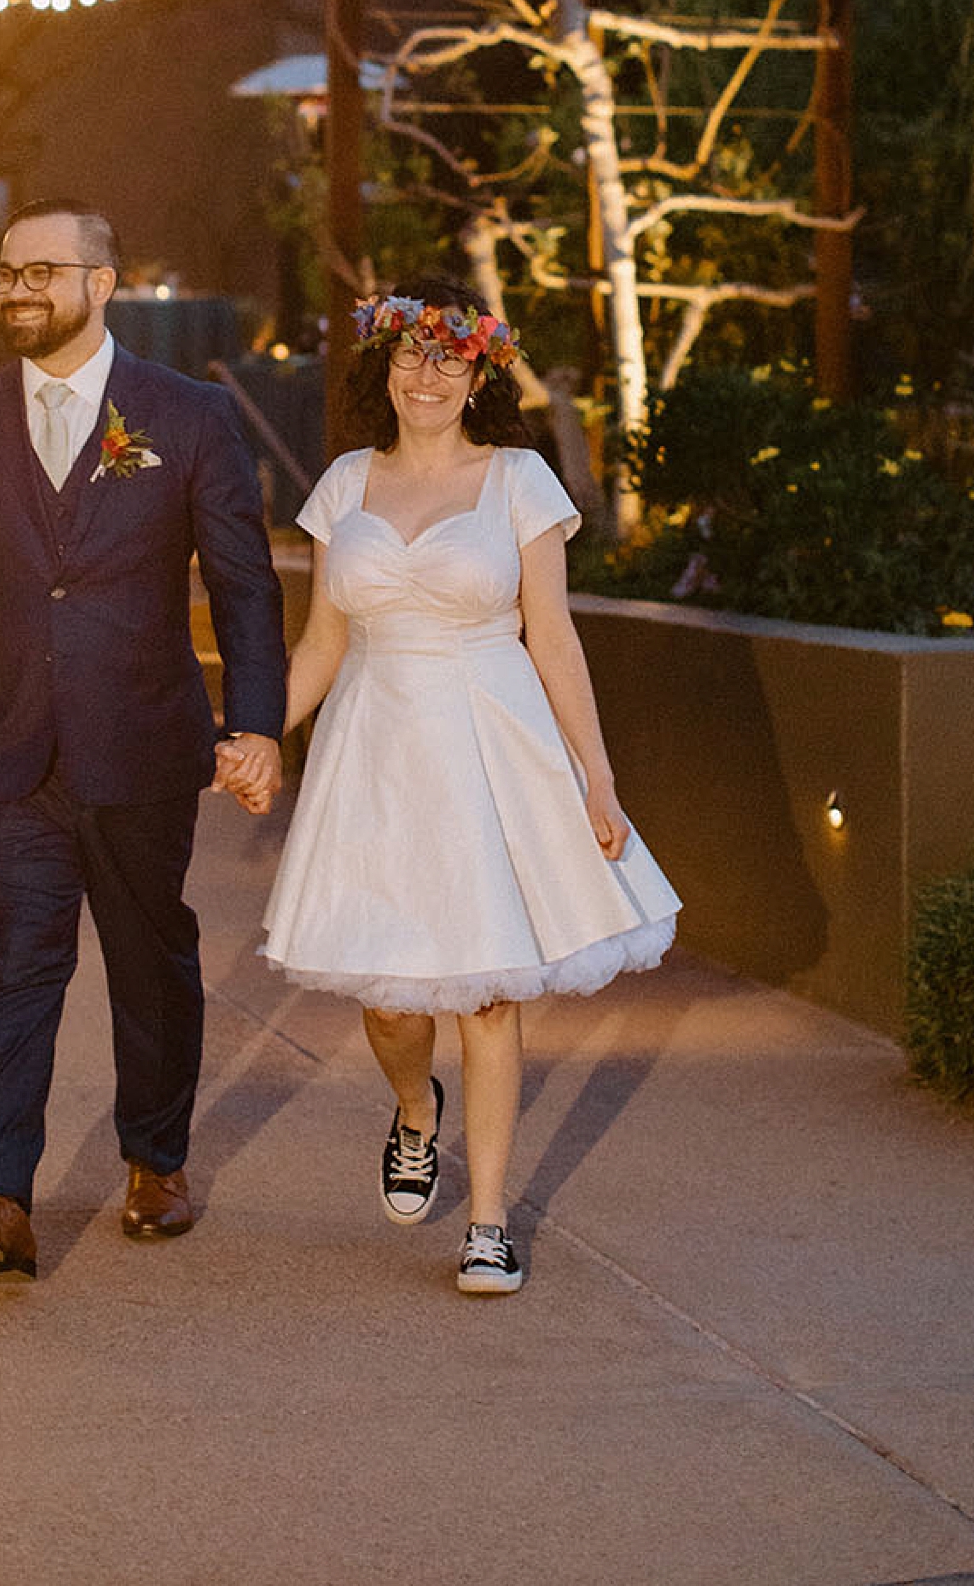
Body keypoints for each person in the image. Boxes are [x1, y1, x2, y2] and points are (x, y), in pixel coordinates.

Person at [258, 276, 679, 1296]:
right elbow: (321, 639)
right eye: (409, 352)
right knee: (392, 1001)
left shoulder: (518, 479)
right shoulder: (346, 483)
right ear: (384, 365)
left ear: (480, 367)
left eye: (449, 354)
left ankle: (486, 1221)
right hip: (374, 748)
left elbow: (553, 633)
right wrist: (258, 736)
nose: (427, 371)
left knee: (490, 993)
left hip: (491, 743)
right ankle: (413, 1109)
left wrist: (597, 776)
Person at [0, 200, 286, 1278]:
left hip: (144, 743)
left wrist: (253, 721)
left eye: (40, 271)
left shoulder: (191, 413)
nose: (16, 290)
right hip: (8, 750)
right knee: (16, 961)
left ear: (100, 283)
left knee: (149, 959)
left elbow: (243, 588)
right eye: (2, 274)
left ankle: (154, 1157)